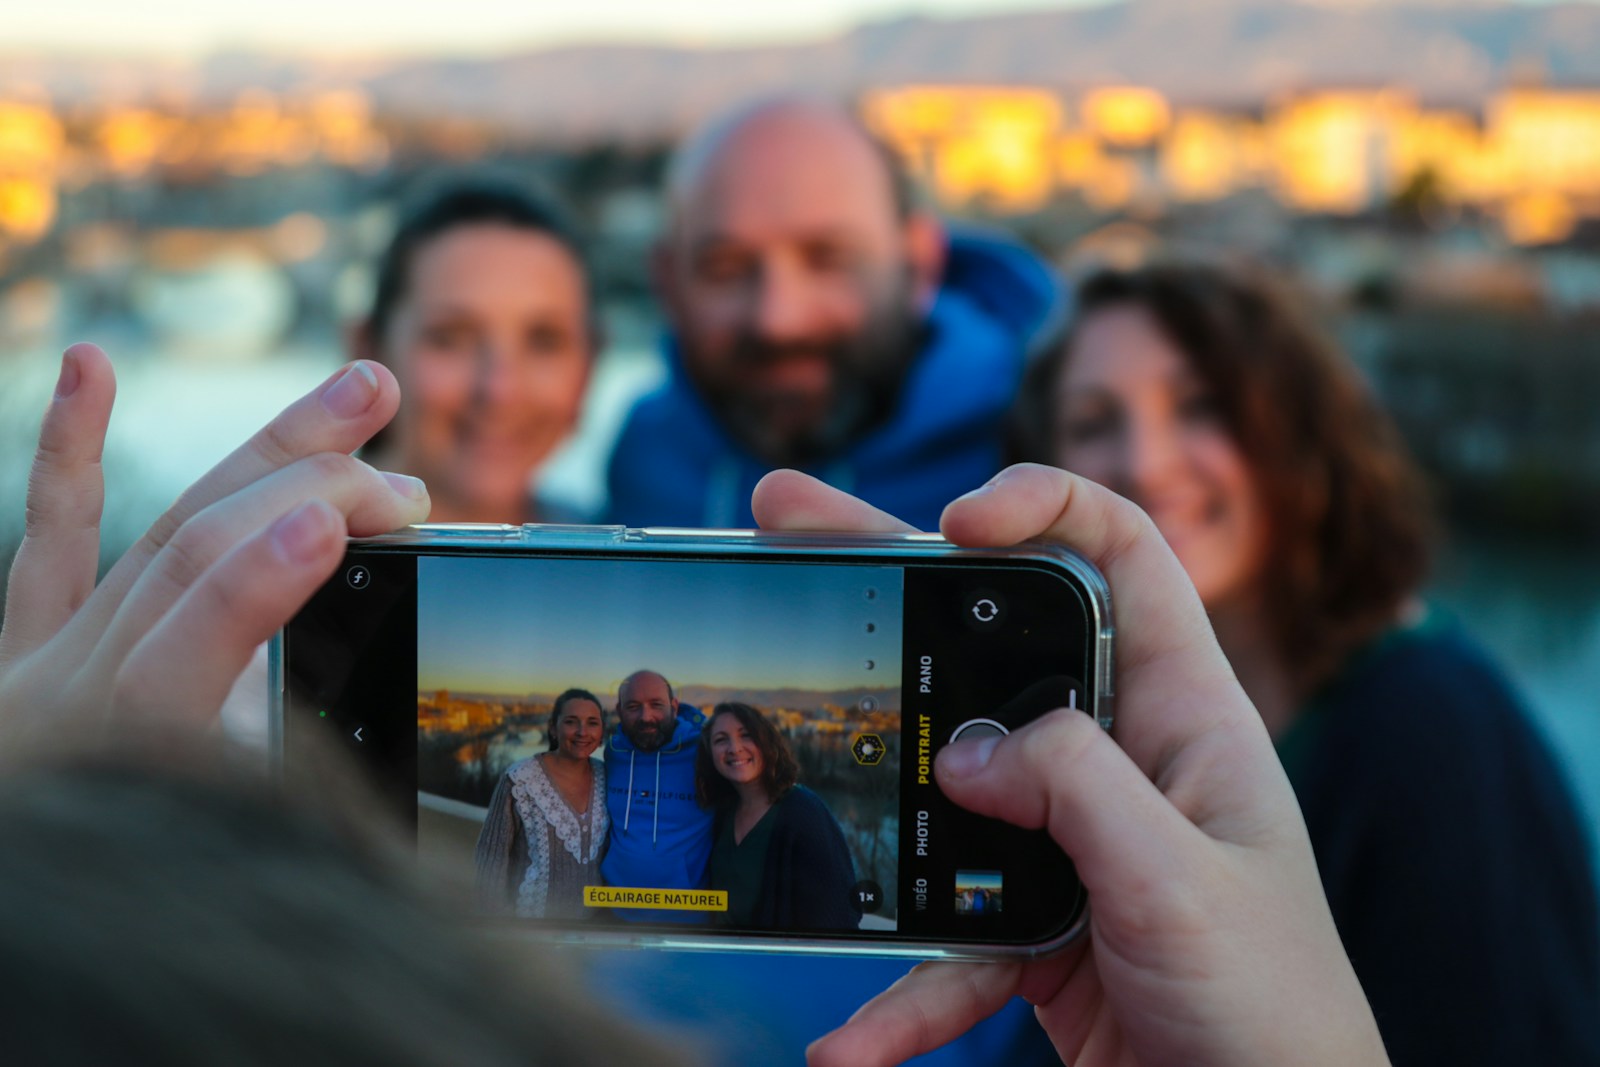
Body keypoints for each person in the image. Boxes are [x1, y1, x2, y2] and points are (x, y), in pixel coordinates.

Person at [2, 344, 1392, 1065]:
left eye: (679, 708)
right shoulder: (583, 801)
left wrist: (75, 877)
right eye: (633, 704)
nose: (657, 720)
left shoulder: (773, 828)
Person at [1017, 261, 1600, 1065]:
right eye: (1091, 422)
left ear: (1292, 431)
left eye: (1200, 407)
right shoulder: (1092, 741)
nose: (1143, 464)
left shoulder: (1434, 727)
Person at [604, 96, 1066, 531]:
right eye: (725, 268)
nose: (777, 319)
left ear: (921, 262)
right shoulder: (640, 459)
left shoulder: (1058, 440)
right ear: (667, 281)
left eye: (829, 260)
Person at [352, 176, 597, 524]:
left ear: (589, 366)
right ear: (369, 349)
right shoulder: (281, 556)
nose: (500, 390)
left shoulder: (627, 565)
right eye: (450, 338)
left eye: (544, 341)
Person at [696, 701, 860, 930]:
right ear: (710, 754)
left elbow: (840, 912)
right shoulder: (723, 812)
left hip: (777, 963)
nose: (734, 748)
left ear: (766, 743)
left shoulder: (803, 810)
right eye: (721, 740)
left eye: (746, 735)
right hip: (722, 960)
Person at [474, 687, 608, 919]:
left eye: (592, 723)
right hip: (532, 936)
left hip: (595, 935)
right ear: (553, 728)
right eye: (571, 722)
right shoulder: (519, 779)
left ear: (602, 731)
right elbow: (491, 861)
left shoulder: (608, 777)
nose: (582, 732)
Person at [600, 669, 713, 922]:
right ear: (619, 711)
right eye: (633, 706)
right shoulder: (613, 753)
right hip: (615, 916)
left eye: (656, 705)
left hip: (686, 920)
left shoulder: (705, 753)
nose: (646, 717)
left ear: (674, 706)